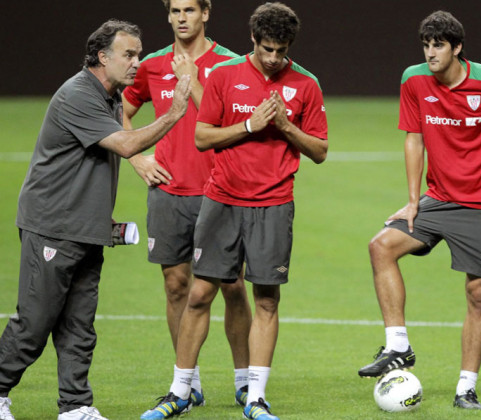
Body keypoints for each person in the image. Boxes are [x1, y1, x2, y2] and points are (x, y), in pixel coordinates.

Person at [139, 3, 328, 420]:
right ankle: (180, 392)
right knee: (199, 293)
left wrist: (286, 126)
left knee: (266, 300)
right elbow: (203, 137)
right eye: (266, 49)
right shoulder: (225, 76)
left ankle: (255, 397)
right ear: (253, 41)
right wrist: (249, 126)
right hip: (222, 200)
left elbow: (320, 151)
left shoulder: (306, 84)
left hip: (274, 205)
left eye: (281, 51)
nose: (273, 58)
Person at [0, 20, 191, 420]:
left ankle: (75, 406)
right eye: (129, 54)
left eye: (139, 54)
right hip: (52, 225)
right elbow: (125, 144)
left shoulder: (112, 97)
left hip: (87, 229)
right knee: (35, 324)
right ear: (102, 57)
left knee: (80, 328)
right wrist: (175, 111)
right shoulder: (77, 95)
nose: (136, 62)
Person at [357, 10, 481, 410]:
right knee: (381, 246)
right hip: (437, 199)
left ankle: (466, 388)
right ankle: (398, 346)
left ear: (457, 47)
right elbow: (414, 140)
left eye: (439, 45)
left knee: (478, 294)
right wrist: (413, 200)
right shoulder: (414, 80)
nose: (431, 52)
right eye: (426, 45)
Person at [122, 0, 252, 410]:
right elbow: (120, 109)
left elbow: (229, 119)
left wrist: (191, 79)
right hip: (169, 192)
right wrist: (136, 157)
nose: (181, 18)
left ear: (206, 13)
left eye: (189, 10)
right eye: (175, 11)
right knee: (176, 285)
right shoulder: (152, 64)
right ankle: (187, 384)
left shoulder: (231, 65)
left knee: (232, 286)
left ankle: (246, 381)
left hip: (222, 191)